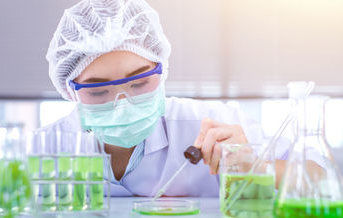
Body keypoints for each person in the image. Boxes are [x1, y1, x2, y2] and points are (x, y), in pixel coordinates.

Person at [43, 0, 290, 197]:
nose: (123, 106)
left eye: (139, 82)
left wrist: (255, 166)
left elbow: (319, 174)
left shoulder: (210, 125)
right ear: (69, 91)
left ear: (161, 70)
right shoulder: (46, 148)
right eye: (98, 91)